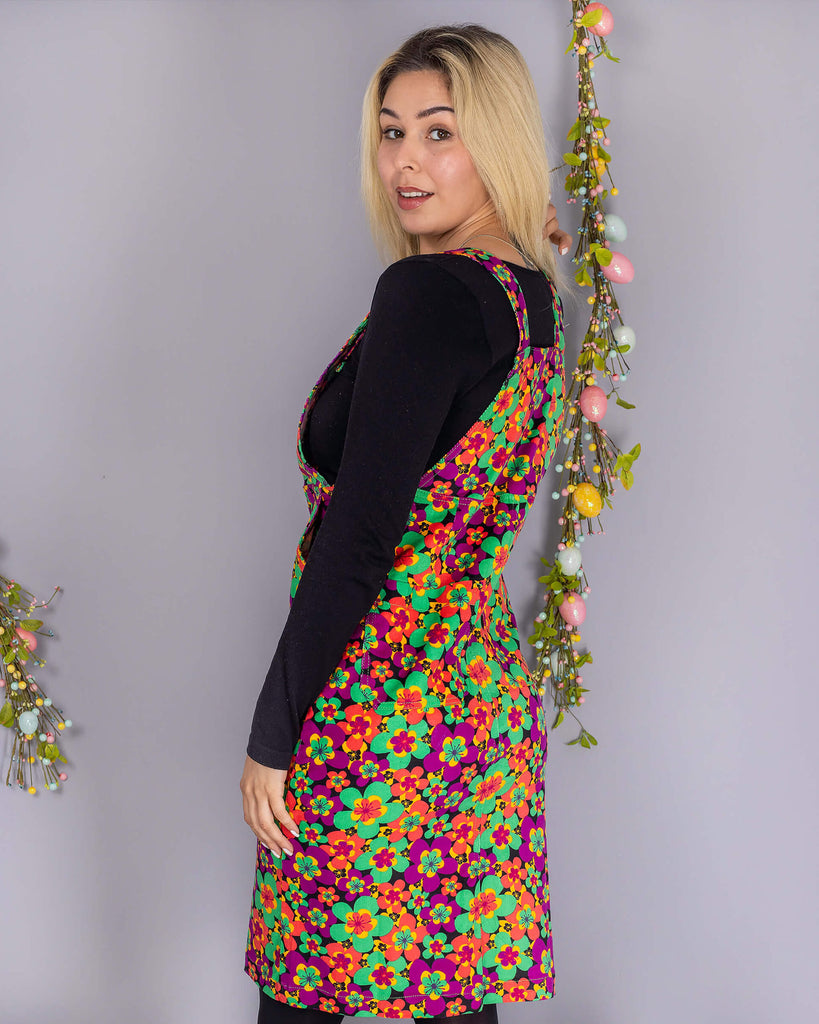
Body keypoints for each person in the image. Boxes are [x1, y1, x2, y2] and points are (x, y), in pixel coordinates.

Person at [240, 22, 574, 1024]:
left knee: (316, 992)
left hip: (381, 706)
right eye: (392, 132)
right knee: (447, 987)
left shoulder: (428, 294)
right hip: (477, 699)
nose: (406, 162)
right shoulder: (529, 299)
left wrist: (273, 730)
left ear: (497, 139)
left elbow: (361, 539)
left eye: (441, 131)